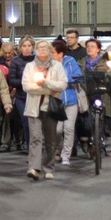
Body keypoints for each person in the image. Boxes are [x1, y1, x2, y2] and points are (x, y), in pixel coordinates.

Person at [22, 40, 67, 180]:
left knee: (51, 139)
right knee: (35, 138)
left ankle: (48, 167)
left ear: (49, 50)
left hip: (50, 108)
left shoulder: (57, 66)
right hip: (33, 107)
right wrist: (48, 90)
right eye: (39, 47)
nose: (41, 50)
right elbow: (26, 86)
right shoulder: (30, 66)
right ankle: (34, 168)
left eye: (44, 48)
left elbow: (63, 85)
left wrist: (46, 83)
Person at [51, 39, 82, 166]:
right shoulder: (48, 64)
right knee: (57, 130)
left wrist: (63, 80)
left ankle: (66, 155)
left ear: (61, 53)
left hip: (71, 100)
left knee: (69, 129)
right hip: (56, 101)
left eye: (53, 52)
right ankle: (58, 149)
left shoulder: (70, 61)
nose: (51, 54)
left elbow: (78, 76)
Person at [8, 35, 35, 152]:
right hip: (21, 97)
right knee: (26, 122)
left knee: (35, 124)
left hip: (36, 96)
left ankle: (35, 147)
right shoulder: (16, 61)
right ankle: (30, 148)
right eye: (24, 46)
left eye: (29, 46)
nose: (27, 48)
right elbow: (12, 80)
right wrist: (26, 82)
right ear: (20, 47)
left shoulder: (37, 60)